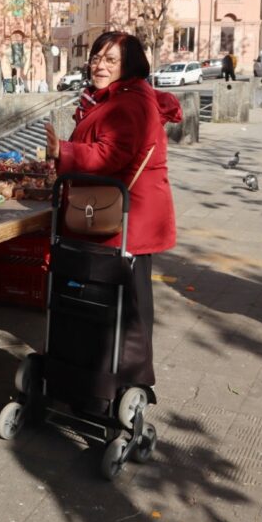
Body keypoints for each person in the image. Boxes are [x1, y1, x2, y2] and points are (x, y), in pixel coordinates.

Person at [44, 31, 182, 388]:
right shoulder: (110, 98)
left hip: (127, 217)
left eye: (110, 60)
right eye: (95, 58)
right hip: (111, 213)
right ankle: (97, 372)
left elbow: (113, 155)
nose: (98, 66)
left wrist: (64, 152)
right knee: (114, 299)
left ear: (128, 66)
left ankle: (124, 380)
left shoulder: (130, 102)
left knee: (127, 303)